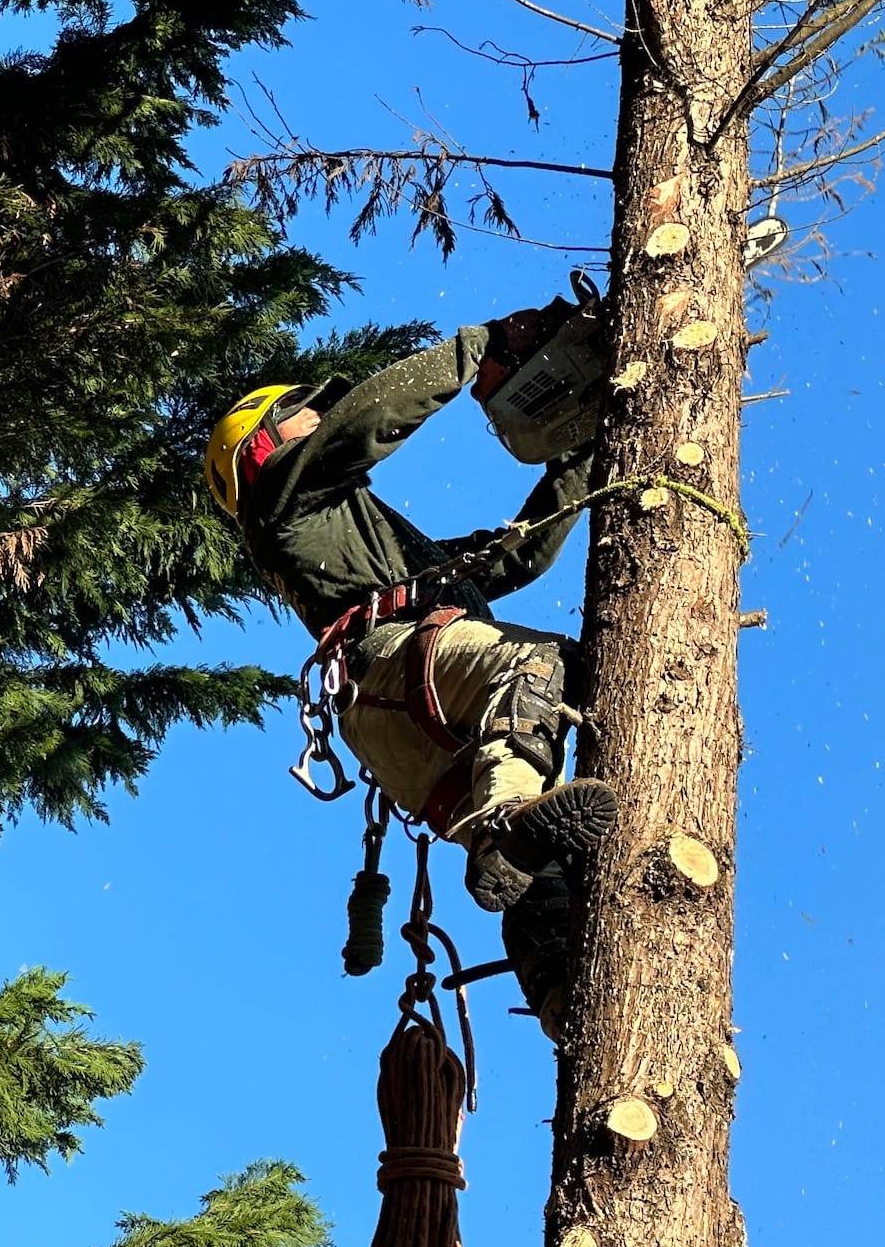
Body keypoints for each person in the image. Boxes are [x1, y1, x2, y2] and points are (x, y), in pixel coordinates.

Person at [205, 310, 612, 1034]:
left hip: (398, 726)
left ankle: (558, 990)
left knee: (539, 858)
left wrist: (580, 456)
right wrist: (480, 349)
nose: (322, 417)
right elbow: (366, 420)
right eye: (306, 416)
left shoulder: (370, 541)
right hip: (394, 669)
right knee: (536, 663)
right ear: (263, 447)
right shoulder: (284, 499)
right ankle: (507, 820)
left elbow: (512, 558)